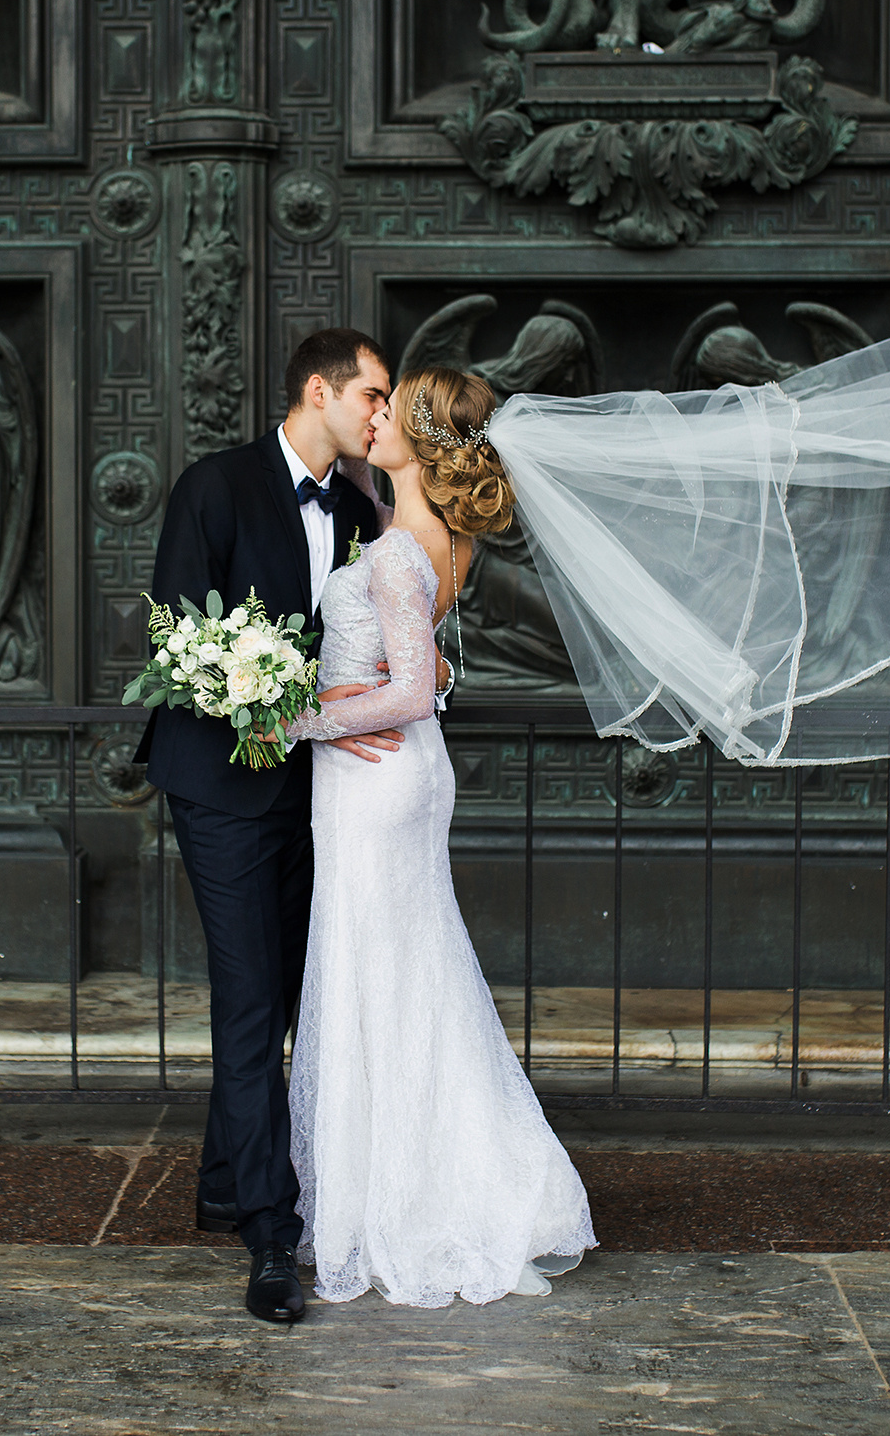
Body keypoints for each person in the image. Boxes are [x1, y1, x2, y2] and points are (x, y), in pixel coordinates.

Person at [282, 365, 598, 1308]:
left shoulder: (393, 554)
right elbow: (430, 670)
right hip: (395, 775)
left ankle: (417, 1201)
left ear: (420, 443)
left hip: (375, 778)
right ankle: (421, 1181)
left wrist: (301, 718)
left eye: (391, 410)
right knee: (408, 972)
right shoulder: (437, 541)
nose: (373, 418)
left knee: (384, 976)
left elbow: (412, 691)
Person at [136, 328, 403, 1325]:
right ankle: (270, 1237)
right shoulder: (216, 484)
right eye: (372, 395)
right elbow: (175, 628)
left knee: (287, 998)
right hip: (221, 789)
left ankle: (222, 1180)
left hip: (318, 794)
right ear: (320, 390)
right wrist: (251, 688)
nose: (381, 413)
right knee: (252, 1007)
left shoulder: (363, 505)